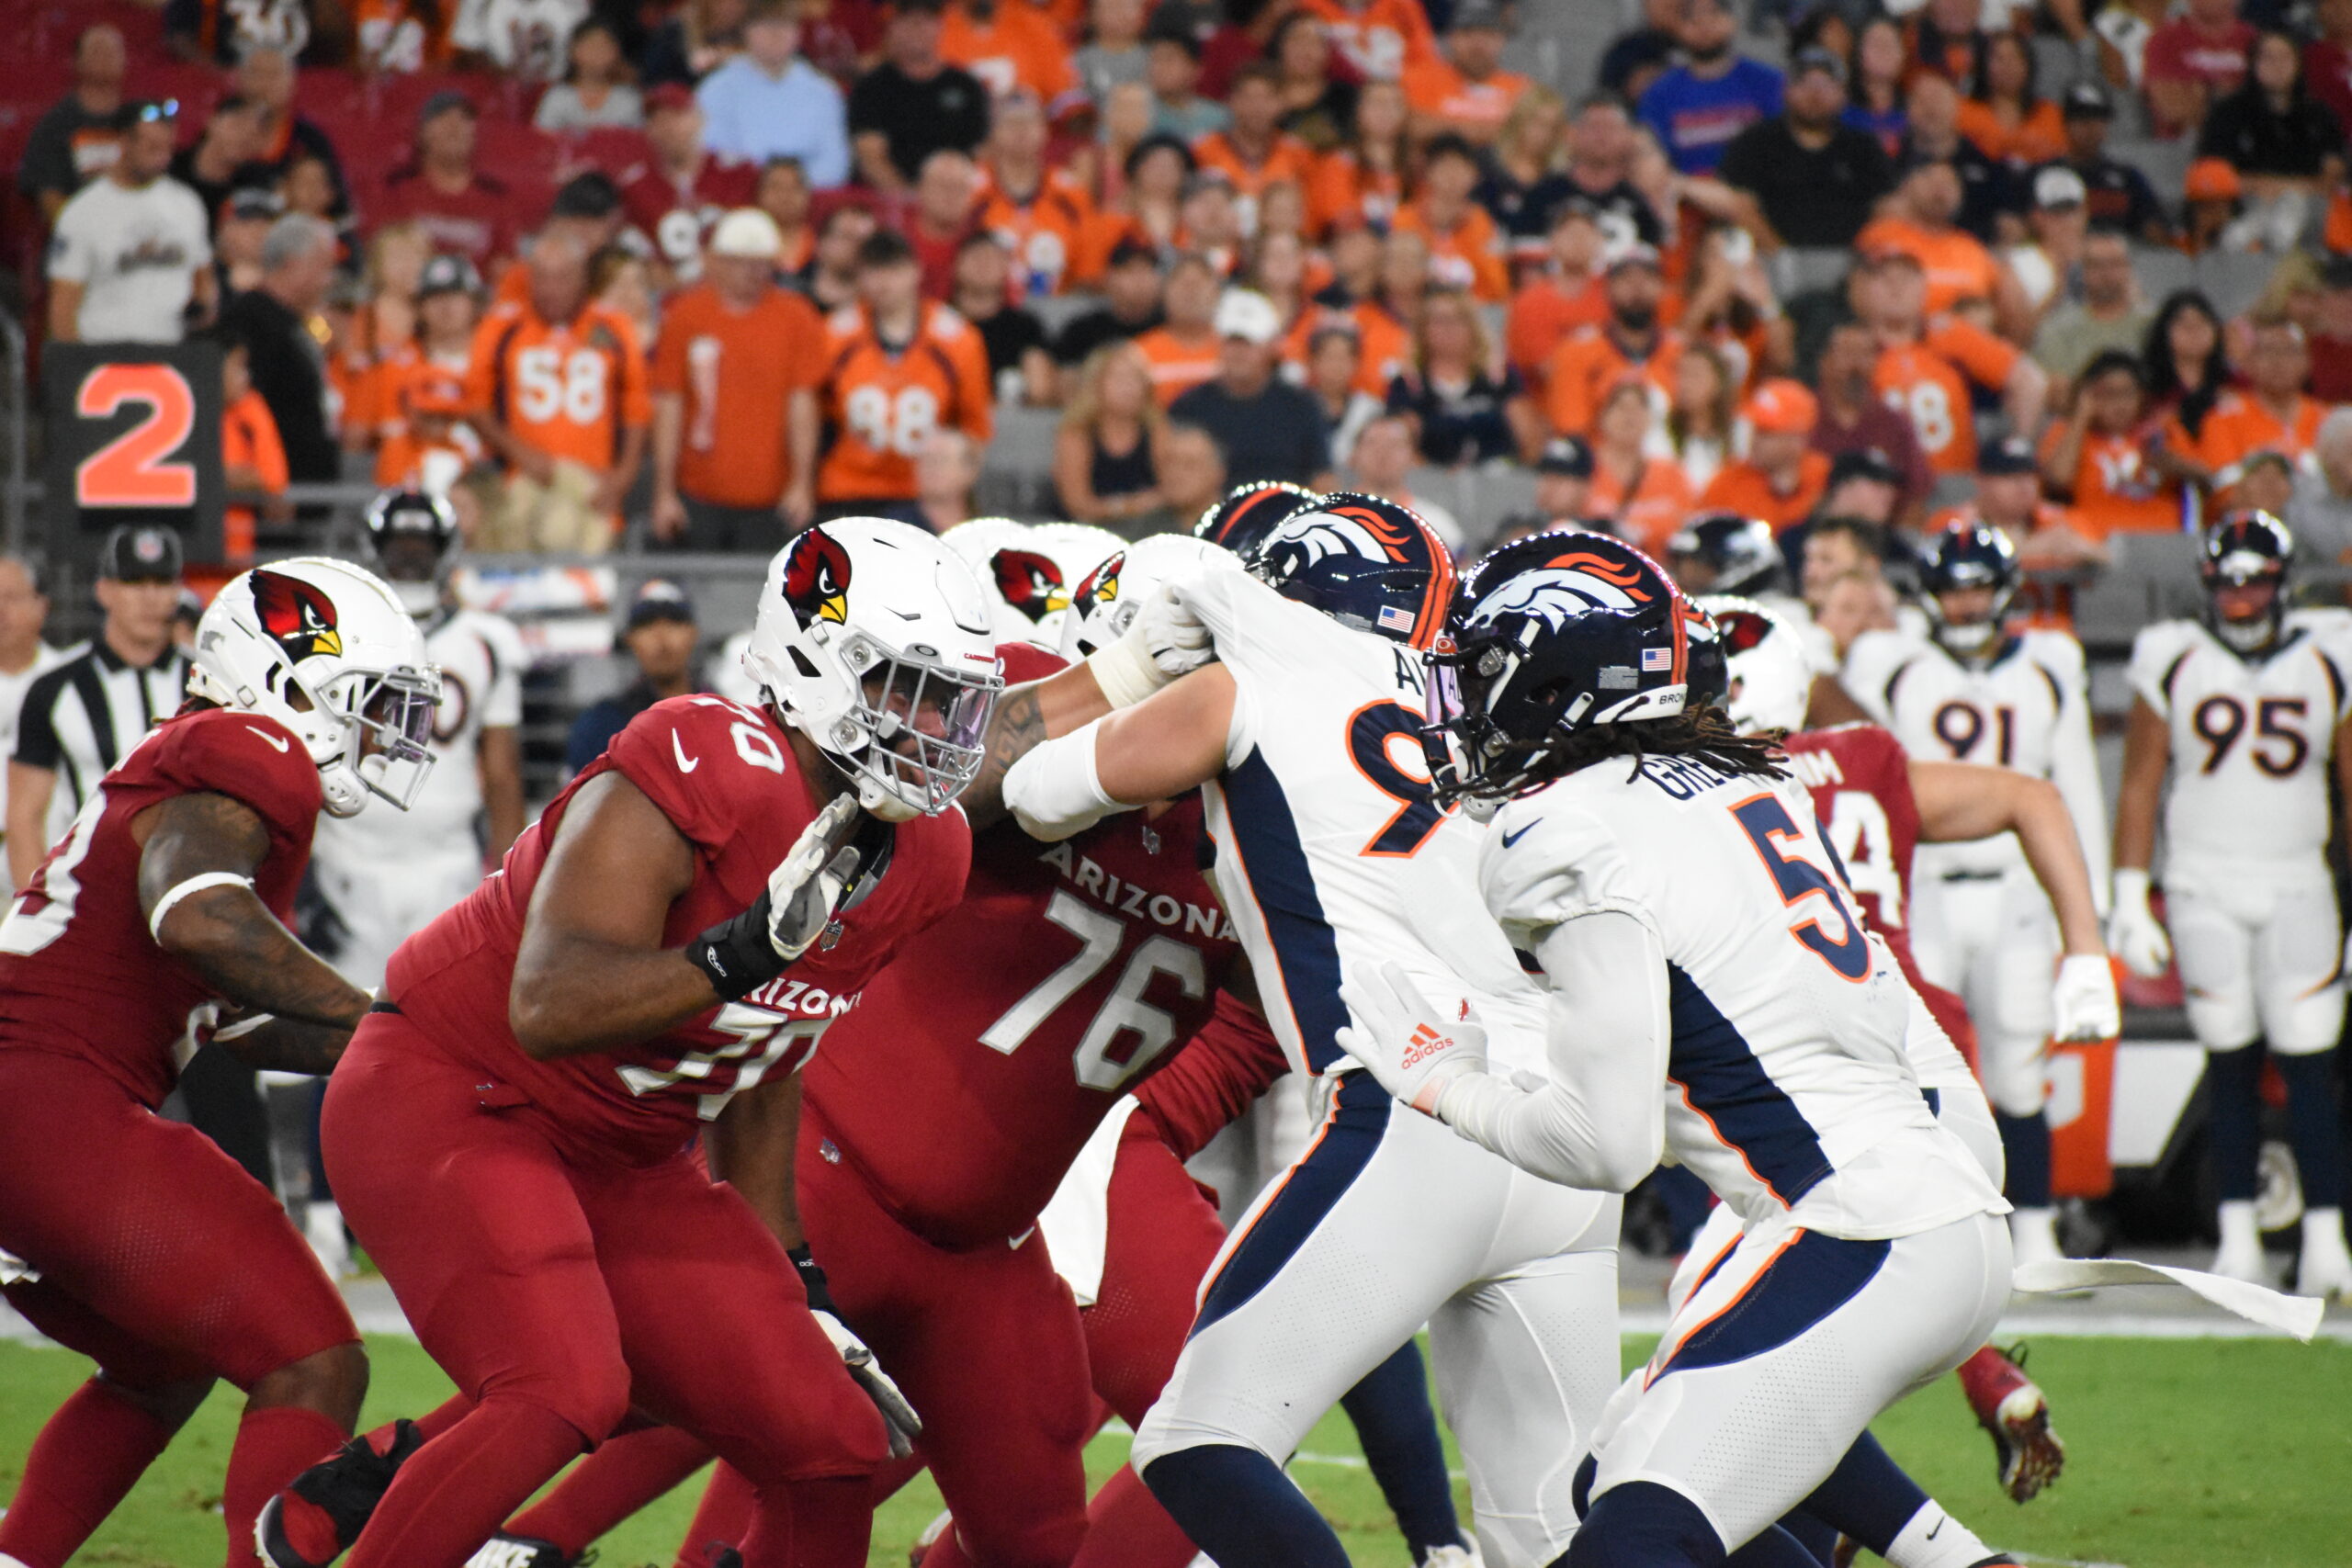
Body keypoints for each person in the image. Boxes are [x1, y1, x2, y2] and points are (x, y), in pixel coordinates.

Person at [258, 522, 1006, 1568]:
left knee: (831, 1442)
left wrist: (795, 1274)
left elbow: (773, 1052)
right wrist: (735, 953)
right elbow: (549, 1003)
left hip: (630, 1154)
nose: (934, 724)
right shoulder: (705, 757)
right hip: (457, 1093)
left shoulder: (929, 852)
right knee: (561, 1388)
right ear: (810, 661)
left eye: (950, 697)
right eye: (904, 687)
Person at [1337, 535, 2008, 1568]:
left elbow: (1609, 1148)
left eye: (1478, 676)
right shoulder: (1752, 784)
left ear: (1554, 682)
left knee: (1630, 1537)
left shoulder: (1557, 833)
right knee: (1629, 1477)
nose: (1457, 707)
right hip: (1949, 1217)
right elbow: (1917, 1045)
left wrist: (1445, 1082)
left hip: (1852, 1234)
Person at [1001, 499, 1623, 1568]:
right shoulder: (1470, 715)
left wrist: (1142, 674)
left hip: (1417, 1114)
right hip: (1564, 1145)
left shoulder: (1245, 682)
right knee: (1551, 1529)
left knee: (1197, 1443)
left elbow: (1034, 791)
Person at [0, 559, 436, 1568]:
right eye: (369, 704)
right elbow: (196, 915)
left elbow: (224, 1011)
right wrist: (386, 1013)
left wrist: (415, 1045)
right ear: (287, 682)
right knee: (313, 1362)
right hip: (53, 1101)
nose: (388, 733)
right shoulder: (251, 746)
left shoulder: (203, 756)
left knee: (162, 1365)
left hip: (33, 1101)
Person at [1707, 599, 2084, 1511]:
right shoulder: (1869, 759)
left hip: (1827, 1062)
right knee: (1844, 1292)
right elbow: (2031, 794)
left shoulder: (1708, 787)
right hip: (1930, 1043)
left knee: (1728, 1330)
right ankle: (1980, 1386)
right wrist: (2087, 949)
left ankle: (1843, 1522)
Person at [1841, 522, 2109, 1272]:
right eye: (1952, 591)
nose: (1964, 606)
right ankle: (1934, 1229)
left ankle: (2039, 1233)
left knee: (2021, 1067)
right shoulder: (1893, 665)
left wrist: (2093, 914)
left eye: (1976, 589)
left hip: (2018, 886)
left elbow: (2074, 787)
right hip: (1920, 885)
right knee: (1918, 1065)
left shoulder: (2050, 663)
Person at [2109, 511, 2352, 1300]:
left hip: (2297, 880)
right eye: (2230, 582)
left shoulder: (2329, 651)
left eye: (2255, 580)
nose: (2242, 598)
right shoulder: (2174, 655)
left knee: (2312, 1063)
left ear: (2282, 584)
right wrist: (2127, 892)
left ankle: (2325, 1238)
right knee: (2231, 1059)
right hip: (2203, 882)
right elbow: (2142, 778)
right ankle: (2239, 1237)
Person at [310, 489, 525, 1006]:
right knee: (337, 1024)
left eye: (422, 540)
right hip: (346, 861)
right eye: (401, 539)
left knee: (446, 1016)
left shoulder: (485, 639)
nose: (411, 551)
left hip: (445, 860)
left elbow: (501, 772)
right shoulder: (330, 639)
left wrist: (516, 878)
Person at [8, 528, 192, 887]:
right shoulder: (55, 688)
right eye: (134, 582)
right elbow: (24, 818)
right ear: (104, 590)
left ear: (177, 591)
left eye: (162, 582)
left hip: (187, 893)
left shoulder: (209, 681)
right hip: (88, 896)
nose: (150, 597)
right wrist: (35, 914)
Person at [465, 231, 652, 553]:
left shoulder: (614, 327)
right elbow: (475, 405)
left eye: (562, 277)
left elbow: (636, 410)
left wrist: (622, 478)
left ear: (582, 276)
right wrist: (521, 454)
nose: (551, 288)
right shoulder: (502, 326)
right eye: (542, 277)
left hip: (595, 486)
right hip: (523, 483)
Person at [650, 209, 823, 552]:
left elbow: (802, 404)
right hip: (697, 490)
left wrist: (802, 484)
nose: (752, 273)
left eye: (760, 263)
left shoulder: (796, 317)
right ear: (716, 262)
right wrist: (664, 492)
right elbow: (670, 404)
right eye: (740, 262)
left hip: (771, 495)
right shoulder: (686, 316)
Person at [809, 230, 993, 516]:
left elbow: (974, 429)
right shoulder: (834, 335)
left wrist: (955, 495)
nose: (883, 281)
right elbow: (811, 413)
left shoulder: (958, 339)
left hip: (924, 491)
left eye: (893, 269)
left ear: (915, 271)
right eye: (873, 269)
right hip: (848, 487)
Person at [1862, 247, 2047, 479]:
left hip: (1954, 480)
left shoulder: (1950, 333)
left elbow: (2029, 380)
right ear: (1865, 289)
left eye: (1906, 279)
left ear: (1923, 287)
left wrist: (2018, 449)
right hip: (1883, 480)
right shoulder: (1854, 346)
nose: (1896, 288)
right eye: (1885, 278)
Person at [46, 100, 212, 345]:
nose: (163, 157)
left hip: (173, 355)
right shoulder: (83, 211)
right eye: (153, 147)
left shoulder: (186, 204)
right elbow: (63, 305)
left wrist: (202, 312)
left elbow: (203, 281)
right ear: (124, 141)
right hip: (105, 352)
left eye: (168, 148)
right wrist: (76, 367)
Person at [1717, 44, 1895, 251]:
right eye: (1804, 83)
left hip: (1853, 261)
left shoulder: (1863, 147)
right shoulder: (1755, 142)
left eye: (1827, 84)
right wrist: (1780, 255)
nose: (1815, 93)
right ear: (1786, 90)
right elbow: (1737, 203)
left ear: (1843, 95)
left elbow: (1886, 204)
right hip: (1770, 262)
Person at [214, 214, 340, 500]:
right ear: (294, 264)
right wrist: (269, 481)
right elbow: (239, 408)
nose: (329, 279)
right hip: (270, 501)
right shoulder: (249, 322)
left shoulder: (296, 323)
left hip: (302, 494)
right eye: (324, 266)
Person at [1169, 289, 1337, 491]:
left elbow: (1322, 477)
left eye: (1248, 343)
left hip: (1288, 514)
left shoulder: (1301, 406)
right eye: (1232, 342)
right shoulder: (1189, 406)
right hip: (1214, 516)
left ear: (1271, 346)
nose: (1239, 352)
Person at [696, 0, 851, 186]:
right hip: (740, 194)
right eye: (765, 24)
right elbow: (714, 153)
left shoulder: (824, 91)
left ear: (798, 32)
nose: (775, 34)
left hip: (809, 196)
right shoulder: (716, 89)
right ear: (746, 31)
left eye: (784, 25)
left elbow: (833, 160)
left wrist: (794, 191)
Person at [622, 87, 761, 288]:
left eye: (679, 117)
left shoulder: (737, 173)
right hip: (667, 297)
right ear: (648, 129)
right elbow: (638, 258)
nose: (671, 128)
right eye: (660, 120)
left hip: (732, 289)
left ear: (700, 120)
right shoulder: (635, 186)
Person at [1542, 243, 1681, 442]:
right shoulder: (1576, 350)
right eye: (1626, 279)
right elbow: (1572, 432)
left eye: (1647, 278)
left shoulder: (1681, 352)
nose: (1637, 288)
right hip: (1601, 465)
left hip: (1671, 464)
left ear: (1663, 288)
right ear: (1607, 288)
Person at [849, 0, 991, 193]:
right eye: (908, 20)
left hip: (959, 196)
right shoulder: (872, 88)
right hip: (897, 202)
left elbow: (982, 152)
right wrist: (911, 199)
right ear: (893, 27)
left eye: (926, 20)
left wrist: (954, 195)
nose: (917, 28)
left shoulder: (966, 86)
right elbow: (871, 157)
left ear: (939, 26)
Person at [1385, 288, 1534, 467]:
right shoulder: (1409, 386)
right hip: (1431, 479)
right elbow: (1402, 442)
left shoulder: (1498, 380)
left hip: (1495, 477)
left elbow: (1529, 439)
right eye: (1439, 321)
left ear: (1473, 328)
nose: (1449, 329)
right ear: (1423, 329)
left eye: (1458, 320)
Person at [370, 92, 516, 273]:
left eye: (464, 119)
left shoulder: (496, 196)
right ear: (422, 132)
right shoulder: (397, 189)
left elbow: (505, 264)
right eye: (443, 118)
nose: (454, 127)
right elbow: (382, 255)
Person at [1636, 0, 1784, 176]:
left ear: (1731, 21)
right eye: (1693, 20)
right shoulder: (1659, 94)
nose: (1704, 27)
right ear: (1678, 28)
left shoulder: (1769, 82)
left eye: (1713, 16)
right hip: (1688, 197)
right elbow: (1652, 161)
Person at [1057, 340, 1169, 533]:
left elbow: (1169, 489)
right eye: (1119, 380)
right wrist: (1128, 506)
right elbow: (1077, 504)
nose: (1129, 388)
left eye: (1136, 380)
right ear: (1096, 385)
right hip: (1085, 530)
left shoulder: (1157, 429)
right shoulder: (1077, 433)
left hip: (1147, 528)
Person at [0, 558, 64, 895]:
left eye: (11, 597)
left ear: (42, 605)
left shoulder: (67, 684)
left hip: (49, 871)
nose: (1, 610)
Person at [19, 24, 127, 224]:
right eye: (96, 50)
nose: (105, 57)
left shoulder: (136, 123)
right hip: (80, 236)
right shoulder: (55, 126)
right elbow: (49, 197)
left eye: (113, 51)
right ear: (77, 61)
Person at [231, 47, 348, 218]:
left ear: (291, 83)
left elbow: (338, 208)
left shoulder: (310, 139)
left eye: (273, 75)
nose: (265, 84)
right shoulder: (224, 130)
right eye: (256, 74)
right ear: (240, 80)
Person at [1700, 378, 1831, 531]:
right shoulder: (1727, 482)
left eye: (1766, 433)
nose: (1755, 440)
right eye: (1756, 430)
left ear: (1798, 440)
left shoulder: (1825, 478)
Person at [2032, 227, 2151, 392]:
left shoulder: (2153, 325)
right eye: (2097, 265)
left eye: (2115, 264)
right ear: (2083, 272)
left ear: (2129, 269)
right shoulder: (2057, 329)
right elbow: (2053, 388)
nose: (2106, 274)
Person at [1587, 375, 1693, 552]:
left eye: (1640, 406)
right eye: (1621, 406)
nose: (1630, 415)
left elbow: (1688, 533)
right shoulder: (1583, 469)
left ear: (1650, 417)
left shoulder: (1672, 474)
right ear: (1602, 414)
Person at [1400, 0, 1527, 146]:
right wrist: (1493, 130)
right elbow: (1406, 127)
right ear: (1450, 38)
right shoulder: (1416, 81)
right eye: (1467, 33)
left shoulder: (1521, 90)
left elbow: (1538, 133)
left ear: (1502, 40)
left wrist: (1444, 126)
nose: (1478, 44)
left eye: (1487, 33)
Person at [949, 232, 1055, 404]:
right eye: (975, 257)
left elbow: (1040, 393)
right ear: (955, 265)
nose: (983, 265)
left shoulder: (1024, 327)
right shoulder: (935, 321)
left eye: (992, 259)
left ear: (1006, 267)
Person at [1345, 414, 1463, 548]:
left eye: (1394, 444)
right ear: (1353, 455)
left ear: (1414, 457)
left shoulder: (1437, 525)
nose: (1383, 452)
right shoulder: (1329, 518)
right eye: (1372, 443)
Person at [2144, 0, 2255, 138]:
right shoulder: (2164, 40)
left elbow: (2268, 100)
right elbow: (2169, 105)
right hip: (2182, 144)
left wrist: (2202, 91)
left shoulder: (2253, 38)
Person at [1054, 234, 1166, 367]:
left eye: (1148, 270)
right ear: (1109, 278)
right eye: (1130, 270)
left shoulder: (1171, 327)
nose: (1140, 279)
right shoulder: (1083, 332)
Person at [1134, 253, 1227, 404]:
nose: (1190, 292)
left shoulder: (1235, 350)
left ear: (1217, 293)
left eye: (1198, 284)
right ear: (1164, 293)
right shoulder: (1138, 355)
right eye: (1182, 284)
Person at [170, 94, 265, 235]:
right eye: (237, 125)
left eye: (253, 133)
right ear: (211, 121)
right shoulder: (169, 168)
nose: (244, 137)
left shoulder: (253, 189)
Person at [533, 18, 645, 132]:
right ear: (573, 50)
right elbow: (544, 139)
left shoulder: (628, 99)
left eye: (604, 46)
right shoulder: (557, 97)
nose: (598, 53)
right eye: (591, 45)